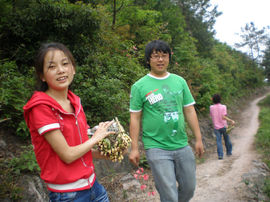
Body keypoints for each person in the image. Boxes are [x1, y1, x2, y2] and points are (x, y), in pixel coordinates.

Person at [23, 42, 114, 201]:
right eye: (52, 67)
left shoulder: (75, 102)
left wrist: (108, 154)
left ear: (73, 69)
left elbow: (80, 150)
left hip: (94, 187)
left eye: (65, 64)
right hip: (68, 194)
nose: (61, 70)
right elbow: (67, 155)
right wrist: (96, 138)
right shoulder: (41, 108)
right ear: (42, 75)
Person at [128, 40, 204, 202]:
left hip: (182, 144)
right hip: (156, 147)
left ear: (169, 57)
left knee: (189, 187)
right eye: (156, 56)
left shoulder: (179, 81)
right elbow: (135, 117)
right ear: (148, 59)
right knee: (169, 193)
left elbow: (189, 110)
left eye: (164, 56)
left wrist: (198, 138)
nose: (160, 60)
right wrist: (134, 148)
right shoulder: (139, 86)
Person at [210, 94, 235, 160]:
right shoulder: (224, 106)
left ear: (213, 99)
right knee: (227, 139)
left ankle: (220, 155)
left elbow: (212, 115)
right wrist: (231, 120)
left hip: (216, 127)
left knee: (218, 141)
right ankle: (229, 152)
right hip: (224, 126)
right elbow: (223, 117)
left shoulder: (211, 107)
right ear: (220, 99)